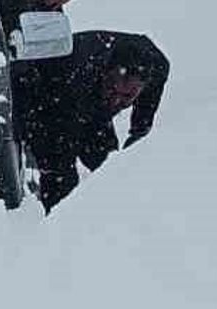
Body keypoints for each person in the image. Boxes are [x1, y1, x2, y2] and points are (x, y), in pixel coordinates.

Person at [11, 29, 170, 212]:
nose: (116, 101)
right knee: (61, 174)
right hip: (41, 94)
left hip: (87, 98)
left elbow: (141, 129)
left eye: (127, 96)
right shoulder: (79, 69)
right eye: (112, 89)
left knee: (110, 164)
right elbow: (65, 133)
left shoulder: (157, 69)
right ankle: (55, 221)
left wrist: (131, 155)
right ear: (105, 72)